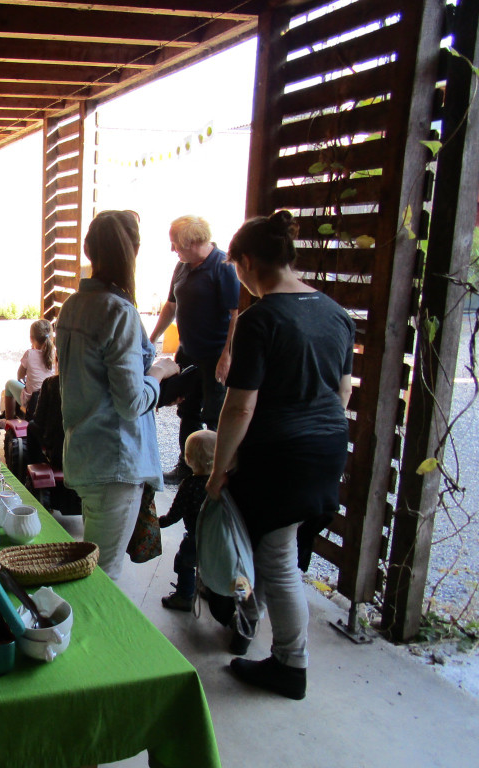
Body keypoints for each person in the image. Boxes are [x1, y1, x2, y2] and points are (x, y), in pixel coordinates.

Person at [206, 210, 354, 701]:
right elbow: (343, 390)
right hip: (329, 446)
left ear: (247, 262)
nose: (239, 279)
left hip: (281, 456)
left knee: (279, 559)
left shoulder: (260, 318)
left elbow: (241, 404)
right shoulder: (335, 313)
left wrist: (219, 469)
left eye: (237, 268)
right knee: (278, 550)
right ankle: (254, 632)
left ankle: (291, 663)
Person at [56, 210, 180, 581]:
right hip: (115, 459)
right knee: (104, 576)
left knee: (94, 566)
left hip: (84, 454)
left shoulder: (72, 306)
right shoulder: (119, 311)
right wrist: (158, 373)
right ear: (134, 250)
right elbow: (130, 402)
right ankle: (92, 639)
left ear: (87, 249)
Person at [149, 215, 240, 485]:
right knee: (186, 411)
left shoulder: (223, 266)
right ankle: (186, 468)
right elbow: (170, 305)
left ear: (191, 242)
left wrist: (227, 356)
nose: (172, 249)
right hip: (188, 354)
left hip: (215, 356)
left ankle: (214, 475)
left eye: (175, 243)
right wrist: (152, 337)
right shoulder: (182, 266)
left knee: (214, 415)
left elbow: (236, 314)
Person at [159, 429, 216, 612]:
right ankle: (208, 589)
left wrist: (160, 522)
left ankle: (184, 596)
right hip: (218, 537)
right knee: (211, 563)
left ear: (188, 458)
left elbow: (176, 513)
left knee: (184, 562)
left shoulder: (190, 485)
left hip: (195, 537)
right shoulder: (221, 484)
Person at [0, 318, 55, 425]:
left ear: (31, 339)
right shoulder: (55, 354)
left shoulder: (29, 353)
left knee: (9, 384)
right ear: (51, 338)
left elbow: (19, 375)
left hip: (32, 400)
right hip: (51, 399)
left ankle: (9, 421)